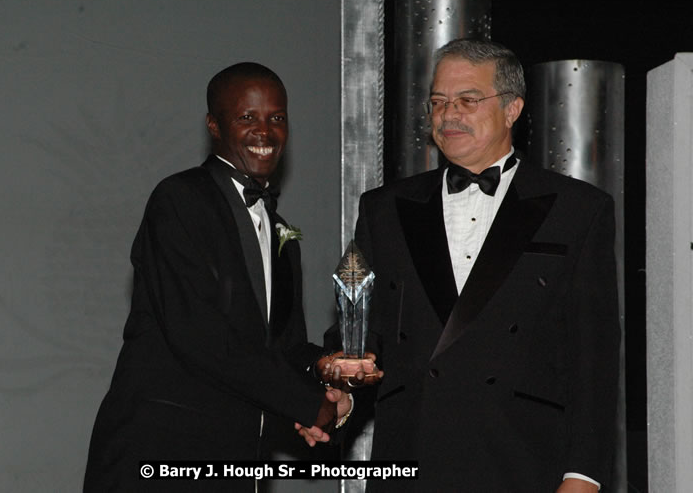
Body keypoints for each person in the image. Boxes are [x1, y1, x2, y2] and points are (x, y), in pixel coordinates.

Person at [315, 38, 621, 492]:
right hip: (412, 458)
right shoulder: (385, 208)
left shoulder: (578, 209)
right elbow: (358, 321)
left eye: (467, 100)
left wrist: (583, 476)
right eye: (438, 101)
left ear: (512, 109)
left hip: (523, 462)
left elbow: (593, 358)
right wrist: (340, 376)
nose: (448, 114)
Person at [84, 62, 348, 492]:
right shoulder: (180, 200)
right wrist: (305, 402)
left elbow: (282, 345)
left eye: (276, 118)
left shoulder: (283, 234)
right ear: (214, 125)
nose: (264, 131)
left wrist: (322, 368)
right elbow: (199, 335)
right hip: (161, 456)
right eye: (247, 117)